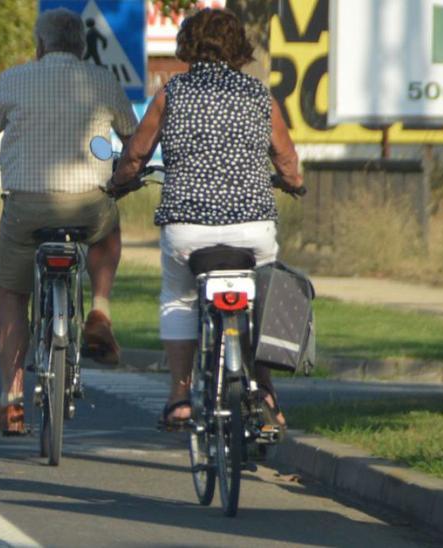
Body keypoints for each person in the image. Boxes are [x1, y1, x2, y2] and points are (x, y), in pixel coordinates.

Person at [107, 8, 303, 430]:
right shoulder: (258, 95)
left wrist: (121, 181)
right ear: (239, 48)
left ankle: (179, 397)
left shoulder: (171, 93)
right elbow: (287, 160)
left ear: (188, 46)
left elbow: (137, 154)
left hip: (187, 231)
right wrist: (292, 182)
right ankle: (266, 392)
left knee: (179, 297)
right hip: (252, 229)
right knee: (262, 297)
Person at [0, 8, 137, 435]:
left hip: (26, 208)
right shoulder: (104, 81)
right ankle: (101, 312)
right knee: (108, 233)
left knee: (12, 295)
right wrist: (124, 172)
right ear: (82, 46)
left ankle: (11, 402)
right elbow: (132, 140)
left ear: (39, 45)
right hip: (88, 206)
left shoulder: (14, 79)